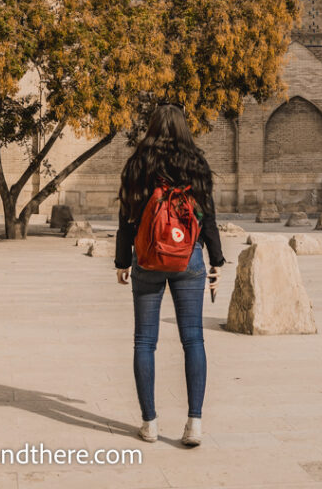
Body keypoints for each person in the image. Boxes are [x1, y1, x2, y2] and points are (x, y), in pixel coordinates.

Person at [115, 103, 225, 447]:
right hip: (188, 258)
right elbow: (207, 215)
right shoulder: (195, 164)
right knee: (193, 339)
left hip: (147, 258)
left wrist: (122, 260)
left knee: (144, 341)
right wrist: (216, 259)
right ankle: (194, 423)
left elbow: (127, 216)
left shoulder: (138, 164)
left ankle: (149, 424)